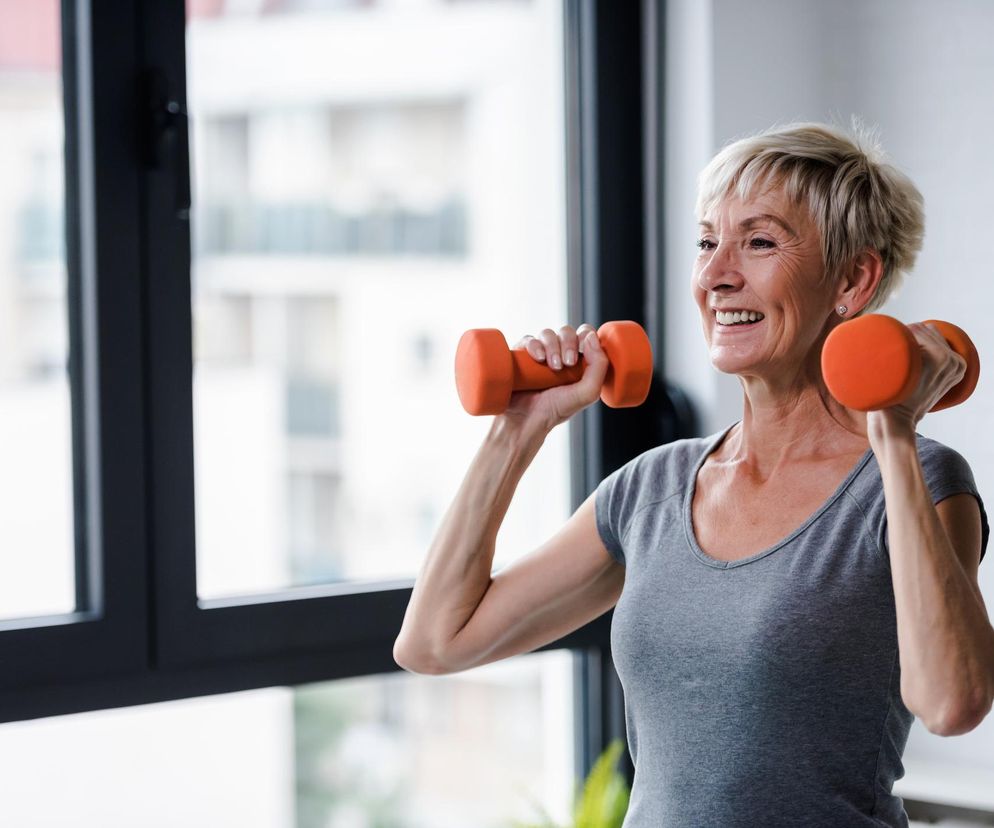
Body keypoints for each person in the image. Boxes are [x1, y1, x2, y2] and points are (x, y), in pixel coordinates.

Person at [393, 122, 994, 826]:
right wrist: (516, 433)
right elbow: (434, 642)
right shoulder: (651, 489)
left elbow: (952, 703)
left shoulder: (915, 480)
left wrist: (890, 427)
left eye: (760, 242)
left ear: (853, 280)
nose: (715, 276)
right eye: (708, 242)